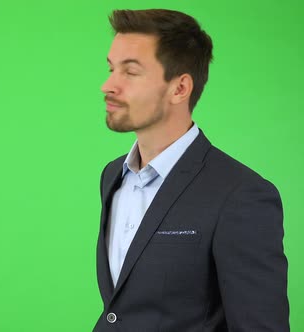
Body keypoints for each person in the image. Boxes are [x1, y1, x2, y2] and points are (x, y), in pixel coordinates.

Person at [95, 9, 289, 331]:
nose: (107, 85)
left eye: (130, 72)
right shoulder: (112, 176)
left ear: (180, 88)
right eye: (111, 68)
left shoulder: (241, 196)